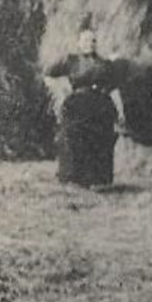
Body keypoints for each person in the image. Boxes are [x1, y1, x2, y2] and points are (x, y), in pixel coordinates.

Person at [45, 29, 130, 189]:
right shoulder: (71, 61)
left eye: (92, 41)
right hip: (77, 105)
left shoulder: (104, 64)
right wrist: (60, 92)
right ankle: (74, 179)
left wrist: (120, 110)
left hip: (100, 106)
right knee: (75, 139)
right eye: (85, 41)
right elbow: (49, 75)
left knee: (99, 140)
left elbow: (114, 88)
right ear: (79, 43)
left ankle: (98, 180)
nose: (89, 44)